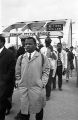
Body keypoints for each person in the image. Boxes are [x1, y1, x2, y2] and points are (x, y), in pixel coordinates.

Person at [15, 36, 50, 120]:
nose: (27, 45)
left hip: (37, 88)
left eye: (30, 44)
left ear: (35, 45)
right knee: (24, 111)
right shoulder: (21, 58)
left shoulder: (42, 57)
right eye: (26, 44)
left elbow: (46, 71)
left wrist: (43, 83)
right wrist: (19, 81)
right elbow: (17, 72)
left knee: (39, 109)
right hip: (24, 89)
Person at [0, 34, 16, 120]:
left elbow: (12, 70)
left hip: (4, 84)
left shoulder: (9, 54)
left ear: (2, 42)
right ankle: (8, 105)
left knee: (1, 106)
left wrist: (4, 80)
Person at [40, 36, 57, 100]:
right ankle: (40, 95)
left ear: (50, 42)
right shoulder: (42, 49)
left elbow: (55, 58)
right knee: (41, 82)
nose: (48, 43)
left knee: (48, 83)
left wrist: (52, 51)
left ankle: (48, 95)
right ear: (45, 42)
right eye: (47, 42)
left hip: (50, 68)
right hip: (42, 68)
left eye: (49, 42)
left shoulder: (53, 49)